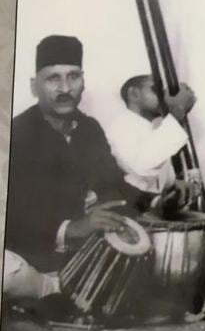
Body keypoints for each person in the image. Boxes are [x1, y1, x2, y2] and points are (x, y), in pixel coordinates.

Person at [3, 35, 184, 305]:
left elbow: (114, 182)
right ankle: (50, 289)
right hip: (27, 255)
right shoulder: (14, 134)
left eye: (73, 76)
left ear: (83, 81)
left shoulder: (89, 129)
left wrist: (157, 201)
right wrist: (72, 228)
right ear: (34, 86)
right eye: (53, 78)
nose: (65, 87)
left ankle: (59, 292)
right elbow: (10, 215)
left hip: (81, 255)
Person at [106, 75, 197, 197]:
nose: (163, 96)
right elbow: (141, 165)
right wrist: (178, 111)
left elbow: (151, 175)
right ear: (134, 94)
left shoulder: (150, 128)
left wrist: (172, 184)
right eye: (156, 90)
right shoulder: (121, 125)